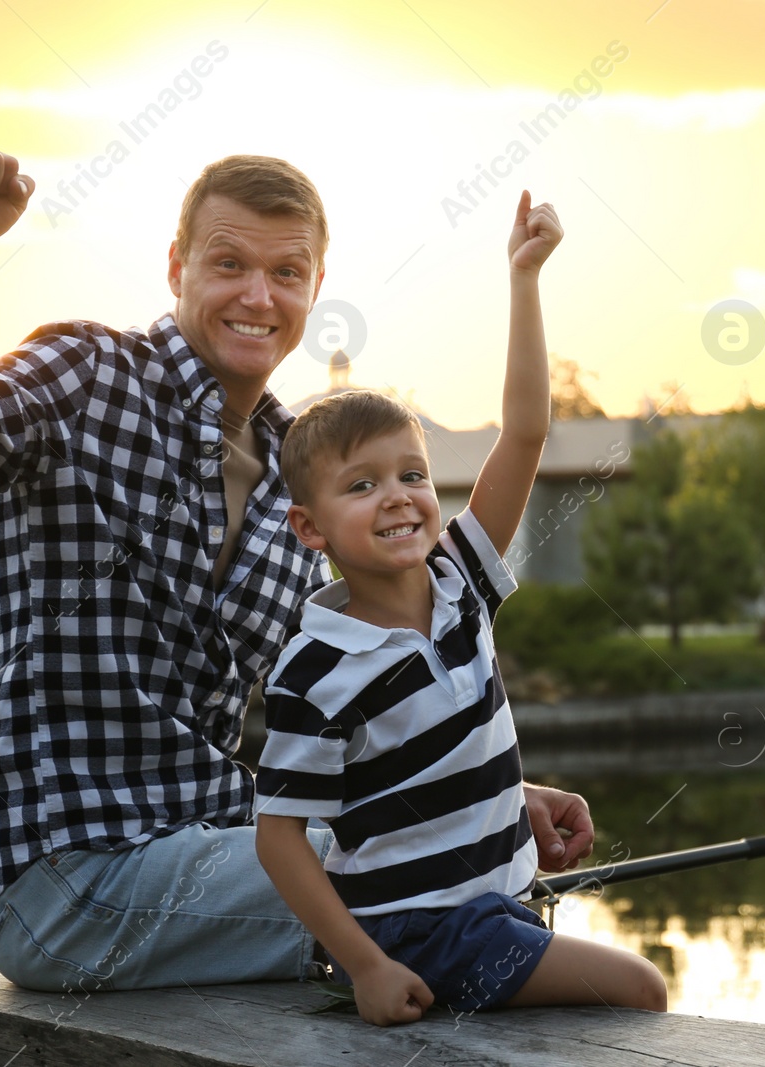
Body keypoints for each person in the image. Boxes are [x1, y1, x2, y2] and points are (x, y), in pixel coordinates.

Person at [0, 142, 596, 995]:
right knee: (422, 894)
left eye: (286, 272)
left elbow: (348, 708)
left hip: (214, 852)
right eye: (229, 263)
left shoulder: (300, 486)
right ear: (176, 267)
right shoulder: (86, 377)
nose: (258, 296)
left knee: (451, 879)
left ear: (313, 288)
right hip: (64, 876)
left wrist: (483, 790)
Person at [254, 192, 667, 1027]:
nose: (399, 497)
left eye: (411, 474)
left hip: (500, 904)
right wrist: (366, 964)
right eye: (361, 485)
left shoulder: (460, 582)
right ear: (309, 527)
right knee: (641, 992)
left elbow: (523, 433)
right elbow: (280, 837)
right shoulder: (317, 665)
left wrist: (524, 277)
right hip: (426, 929)